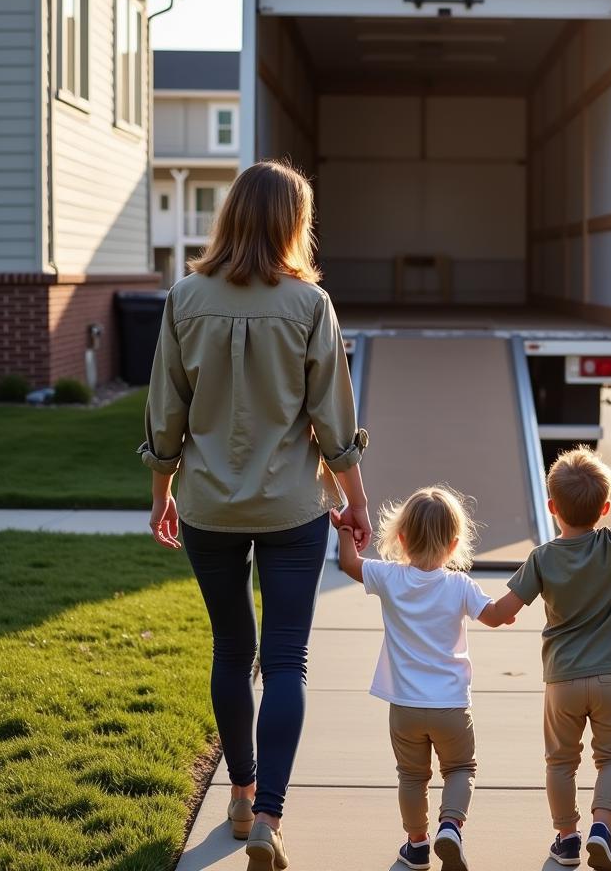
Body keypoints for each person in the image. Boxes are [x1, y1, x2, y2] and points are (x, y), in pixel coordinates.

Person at [140, 159, 371, 871]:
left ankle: (239, 795)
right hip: (291, 508)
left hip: (208, 504)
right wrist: (356, 500)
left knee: (230, 652)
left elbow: (165, 409)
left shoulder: (183, 296)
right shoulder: (310, 306)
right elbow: (334, 422)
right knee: (287, 661)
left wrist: (161, 494)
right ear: (291, 223)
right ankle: (270, 814)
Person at [484, 447, 611, 871]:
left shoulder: (542, 558)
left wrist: (477, 609)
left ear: (551, 507)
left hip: (562, 680)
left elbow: (500, 612)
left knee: (561, 762)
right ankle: (602, 827)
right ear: (604, 508)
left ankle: (567, 839)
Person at [337, 485, 515, 871]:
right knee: (460, 769)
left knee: (412, 776)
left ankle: (417, 844)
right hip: (451, 706)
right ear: (454, 545)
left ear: (401, 538)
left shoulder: (388, 577)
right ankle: (449, 826)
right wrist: (518, 599)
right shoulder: (460, 586)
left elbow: (350, 565)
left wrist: (343, 533)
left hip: (404, 707)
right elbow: (497, 616)